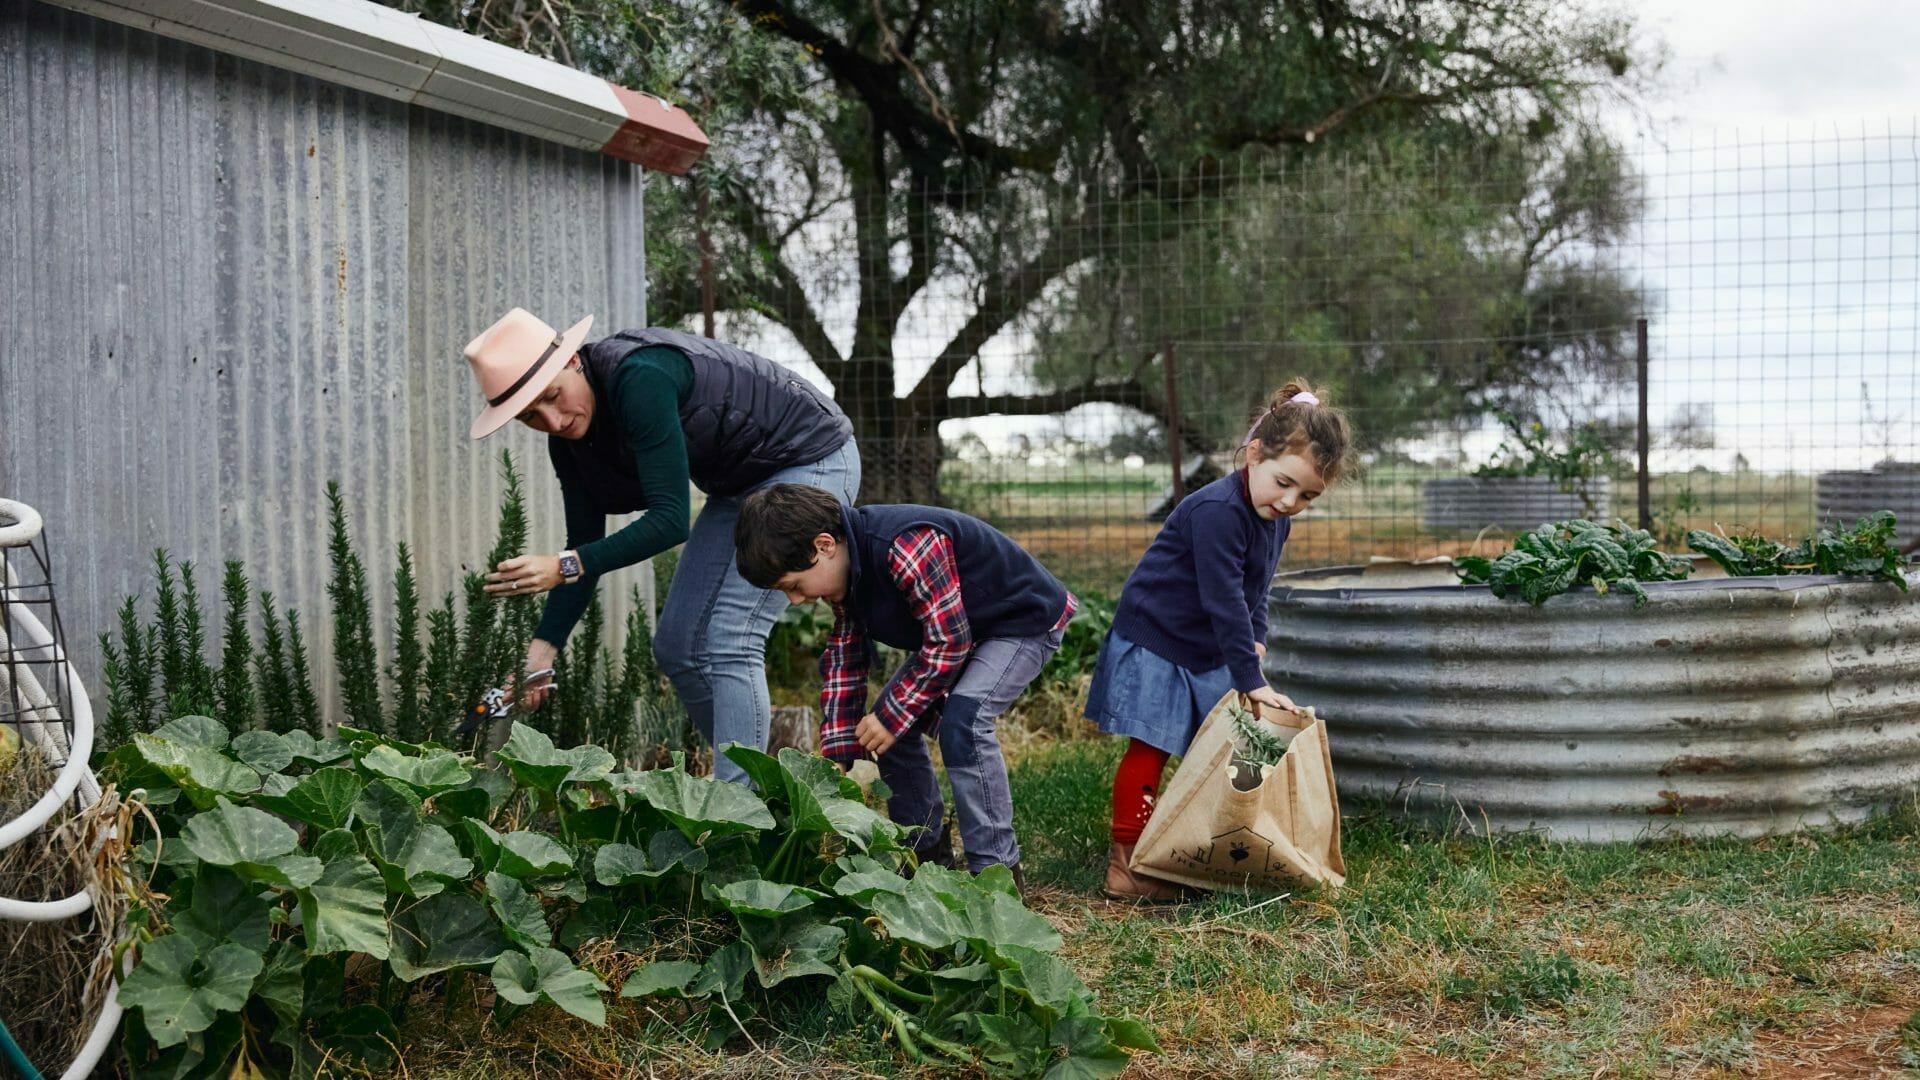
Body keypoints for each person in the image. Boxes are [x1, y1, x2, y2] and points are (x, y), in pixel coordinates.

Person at [463, 309, 860, 785]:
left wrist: (565, 565)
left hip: (808, 457)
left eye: (552, 397)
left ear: (571, 360)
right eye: (531, 417)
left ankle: (736, 807)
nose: (554, 420)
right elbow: (582, 548)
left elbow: (670, 520)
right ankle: (764, 783)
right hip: (740, 485)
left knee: (732, 637)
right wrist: (540, 656)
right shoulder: (568, 443)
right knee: (678, 647)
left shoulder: (640, 378)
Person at [734, 483, 1077, 895]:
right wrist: (838, 755)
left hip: (1019, 623)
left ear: (823, 545)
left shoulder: (904, 543)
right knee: (885, 732)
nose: (794, 600)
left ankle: (997, 876)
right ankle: (923, 852)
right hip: (959, 632)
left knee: (963, 724)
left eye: (794, 584)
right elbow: (846, 658)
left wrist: (892, 716)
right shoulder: (847, 570)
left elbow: (949, 642)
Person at [1089, 380, 1351, 902]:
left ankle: (1200, 847)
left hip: (1202, 645)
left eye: (1308, 496)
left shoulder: (1273, 518)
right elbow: (1223, 597)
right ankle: (1127, 863)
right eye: (1284, 483)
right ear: (1254, 454)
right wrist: (1249, 680)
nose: (1291, 501)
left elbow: (1257, 589)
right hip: (1159, 640)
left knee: (1226, 747)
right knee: (1152, 746)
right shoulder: (1217, 512)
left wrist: (1256, 641)